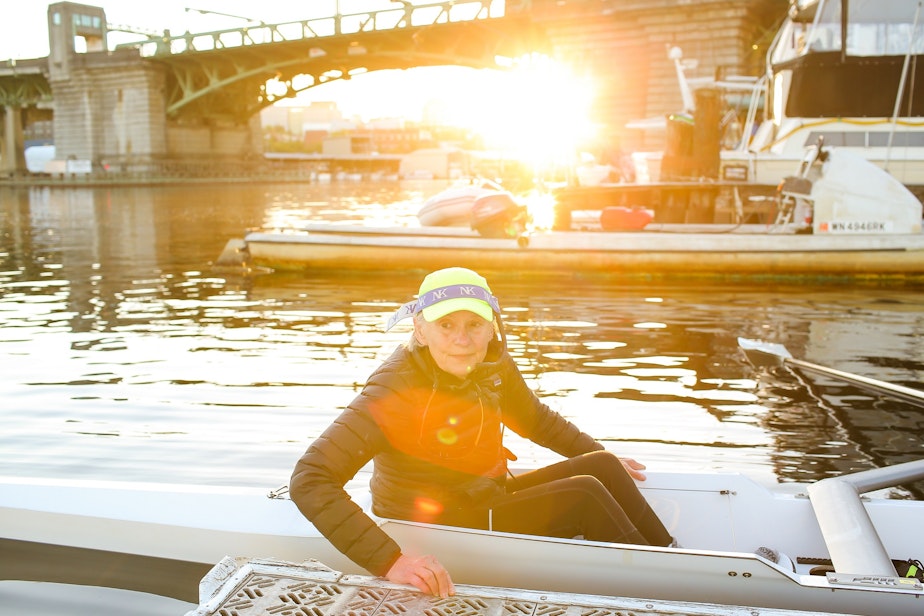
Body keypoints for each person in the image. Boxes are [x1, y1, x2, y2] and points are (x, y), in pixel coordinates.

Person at [289, 267, 673, 598]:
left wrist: (593, 452)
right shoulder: (393, 391)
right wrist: (390, 561)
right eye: (446, 325)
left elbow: (536, 419)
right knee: (584, 496)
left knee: (603, 465)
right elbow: (310, 479)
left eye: (474, 325)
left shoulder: (492, 363)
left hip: (481, 492)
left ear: (492, 327)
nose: (462, 339)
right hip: (432, 520)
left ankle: (674, 557)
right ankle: (669, 589)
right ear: (420, 331)